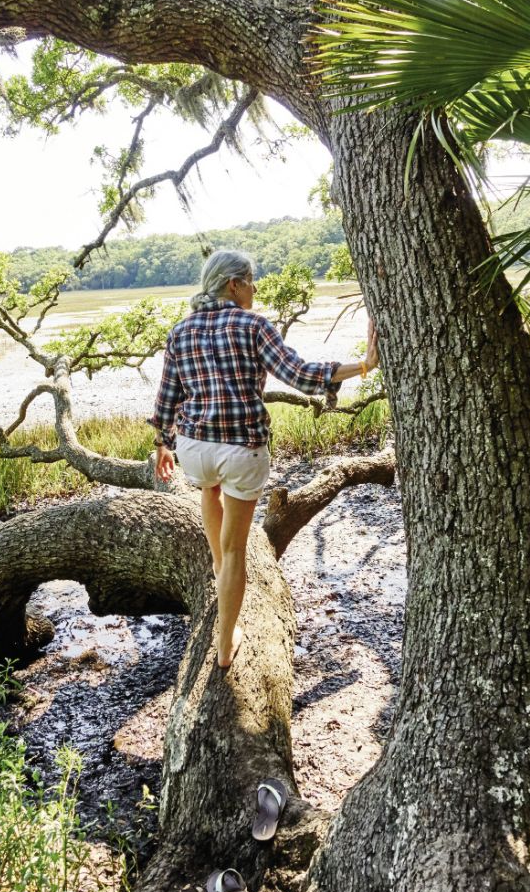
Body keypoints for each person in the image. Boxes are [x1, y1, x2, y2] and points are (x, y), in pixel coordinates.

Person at [148, 249, 379, 668]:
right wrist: (363, 366)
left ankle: (221, 574)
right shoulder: (252, 325)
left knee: (209, 490)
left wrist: (163, 443)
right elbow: (302, 374)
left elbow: (168, 397)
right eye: (251, 280)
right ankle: (224, 643)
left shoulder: (180, 331)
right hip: (241, 448)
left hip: (194, 451)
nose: (255, 288)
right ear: (233, 285)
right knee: (237, 550)